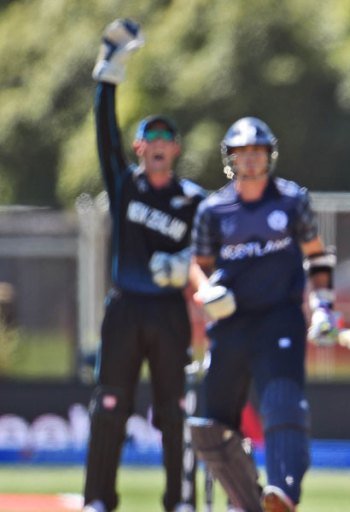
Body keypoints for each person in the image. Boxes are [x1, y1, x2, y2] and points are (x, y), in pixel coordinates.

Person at [187, 117, 339, 512]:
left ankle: (283, 491)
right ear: (231, 160)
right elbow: (198, 263)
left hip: (280, 315)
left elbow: (318, 257)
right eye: (242, 154)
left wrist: (324, 305)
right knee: (216, 422)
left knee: (283, 401)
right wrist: (206, 291)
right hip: (230, 320)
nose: (250, 161)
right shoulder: (213, 209)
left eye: (257, 153)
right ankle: (242, 498)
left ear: (268, 157)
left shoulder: (292, 201)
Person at [84, 19, 206, 512]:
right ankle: (98, 500)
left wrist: (187, 266)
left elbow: (213, 251)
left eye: (166, 136)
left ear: (175, 149)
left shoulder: (194, 200)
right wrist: (108, 72)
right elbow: (103, 131)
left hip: (169, 314)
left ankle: (178, 501)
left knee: (176, 414)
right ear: (140, 148)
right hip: (125, 310)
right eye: (149, 135)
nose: (157, 141)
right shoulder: (125, 185)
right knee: (109, 407)